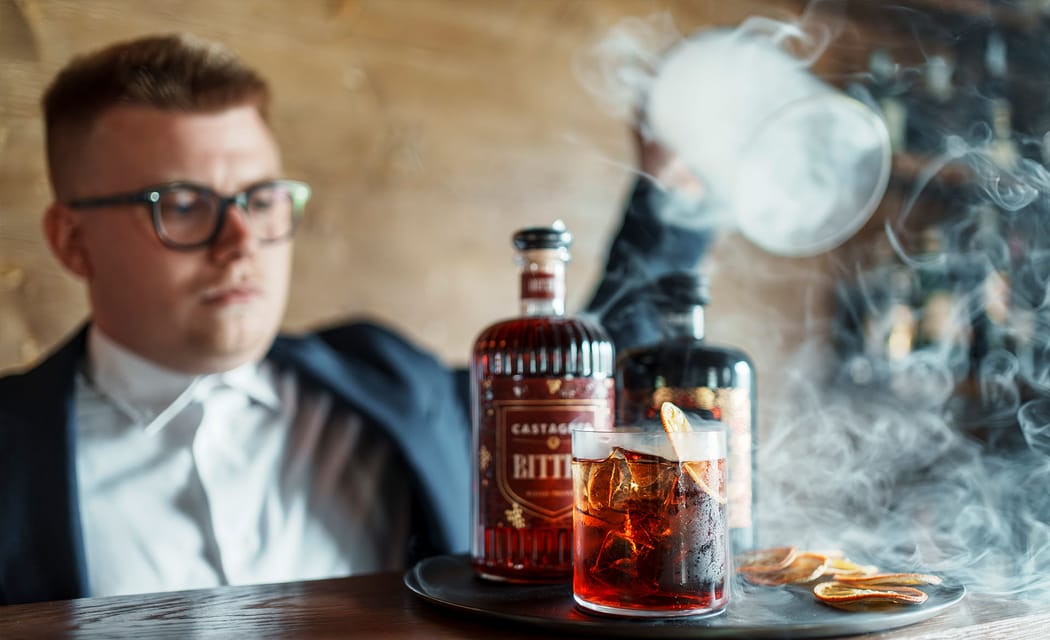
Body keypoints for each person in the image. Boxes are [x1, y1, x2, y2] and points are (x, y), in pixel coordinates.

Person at [0, 33, 710, 605]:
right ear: (72, 241)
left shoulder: (386, 382)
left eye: (261, 198)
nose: (241, 241)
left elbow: (590, 377)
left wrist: (671, 195)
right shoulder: (15, 450)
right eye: (182, 206)